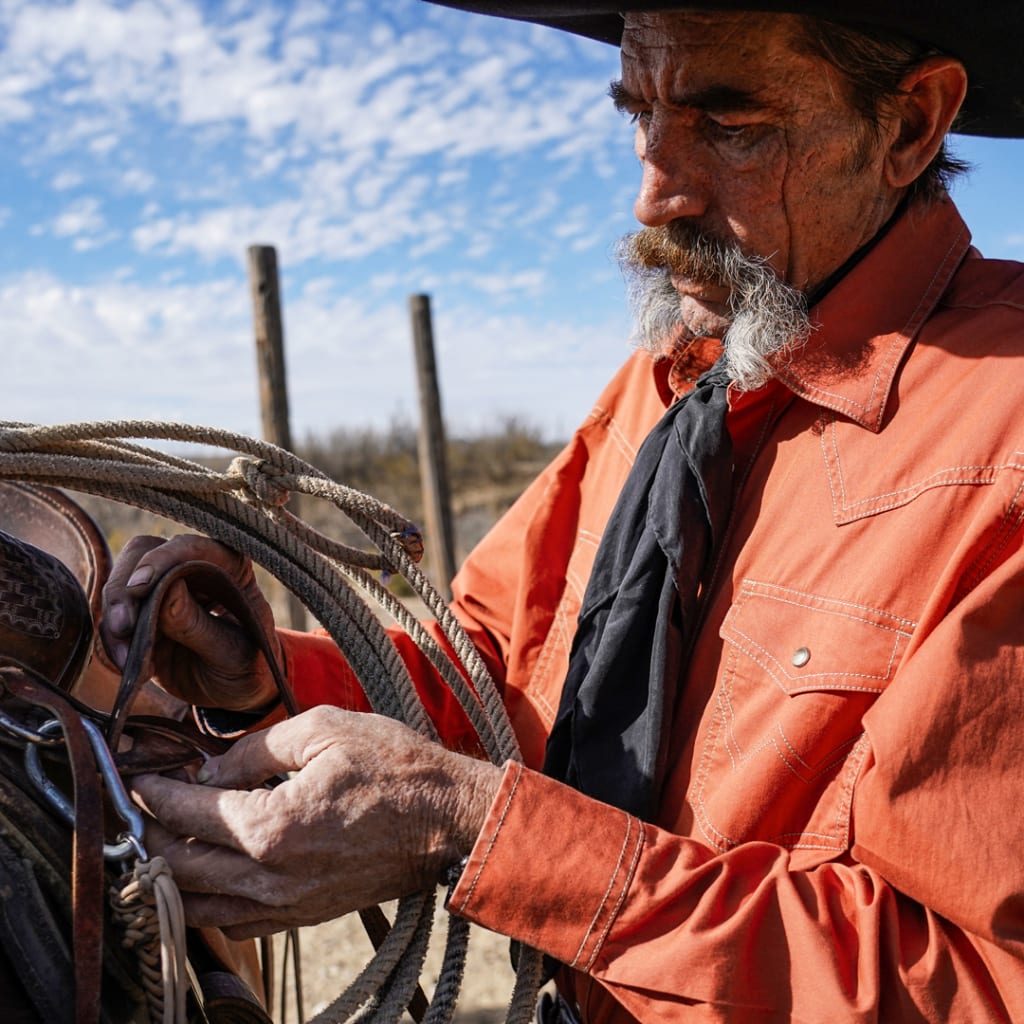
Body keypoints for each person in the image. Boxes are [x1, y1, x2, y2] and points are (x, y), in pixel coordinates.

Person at [100, 2, 1024, 1020]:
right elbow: (495, 683)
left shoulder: (1003, 443)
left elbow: (976, 986)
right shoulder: (672, 386)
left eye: (728, 124)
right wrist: (259, 673)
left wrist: (475, 832)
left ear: (909, 125)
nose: (653, 193)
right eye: (642, 113)